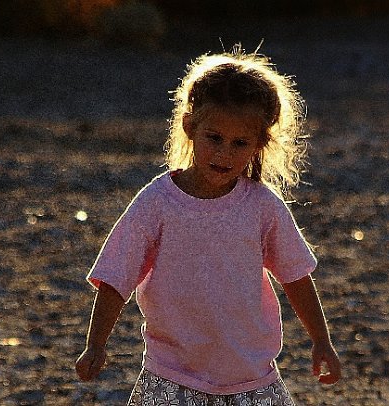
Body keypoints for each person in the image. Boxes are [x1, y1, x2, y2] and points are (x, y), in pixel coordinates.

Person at [75, 47, 341, 405]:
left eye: (239, 143)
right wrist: (96, 344)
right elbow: (115, 278)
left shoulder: (262, 207)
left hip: (250, 378)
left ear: (259, 145)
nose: (224, 153)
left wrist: (321, 341)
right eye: (214, 138)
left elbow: (296, 276)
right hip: (172, 377)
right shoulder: (157, 203)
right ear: (190, 127)